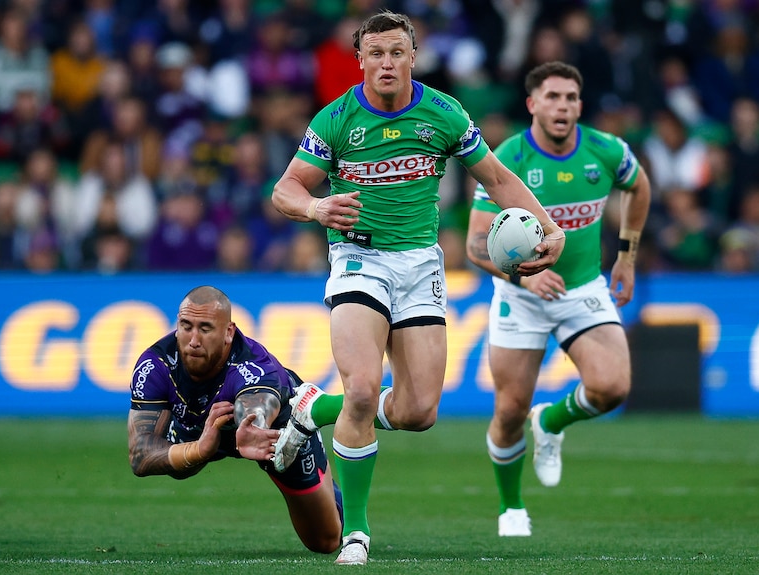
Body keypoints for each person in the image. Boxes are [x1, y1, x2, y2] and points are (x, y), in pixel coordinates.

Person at [270, 11, 565, 565]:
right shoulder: (336, 120)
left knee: (418, 411)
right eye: (375, 53)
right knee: (363, 388)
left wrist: (549, 225)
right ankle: (354, 532)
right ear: (360, 58)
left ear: (413, 56)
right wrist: (315, 207)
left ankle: (311, 406)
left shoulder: (443, 113)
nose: (386, 63)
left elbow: (498, 179)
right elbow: (284, 189)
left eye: (396, 53)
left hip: (420, 266)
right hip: (359, 259)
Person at [465, 61, 651, 537]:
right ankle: (512, 508)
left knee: (613, 387)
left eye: (570, 97)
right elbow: (473, 245)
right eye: (552, 97)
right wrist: (525, 281)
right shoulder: (508, 158)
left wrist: (626, 257)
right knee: (508, 412)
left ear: (580, 105)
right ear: (532, 104)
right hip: (520, 295)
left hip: (582, 287)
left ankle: (551, 420)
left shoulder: (604, 150)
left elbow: (639, 186)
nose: (562, 106)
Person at [126, 285, 343, 554]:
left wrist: (253, 425)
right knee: (180, 469)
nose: (193, 340)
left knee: (325, 541)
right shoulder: (155, 365)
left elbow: (257, 403)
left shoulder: (255, 365)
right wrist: (198, 450)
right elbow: (140, 455)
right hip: (200, 429)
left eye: (205, 329)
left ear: (228, 332)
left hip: (271, 431)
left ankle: (325, 482)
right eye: (186, 326)